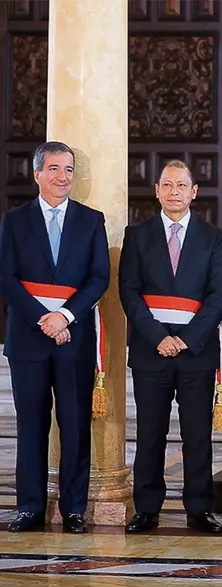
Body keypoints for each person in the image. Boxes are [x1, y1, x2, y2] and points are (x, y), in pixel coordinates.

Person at [0, 141, 110, 534]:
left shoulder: (91, 220)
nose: (62, 177)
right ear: (37, 174)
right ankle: (29, 507)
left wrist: (63, 317)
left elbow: (99, 278)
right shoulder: (13, 220)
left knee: (75, 424)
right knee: (31, 425)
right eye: (54, 169)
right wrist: (42, 319)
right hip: (28, 339)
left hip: (74, 338)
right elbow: (6, 278)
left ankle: (74, 508)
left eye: (68, 169)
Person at [119, 160, 222, 534]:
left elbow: (218, 295)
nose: (174, 192)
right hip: (152, 352)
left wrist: (186, 338)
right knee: (150, 433)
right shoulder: (137, 235)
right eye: (167, 185)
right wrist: (158, 337)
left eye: (182, 185)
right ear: (156, 189)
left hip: (196, 353)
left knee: (197, 434)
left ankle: (199, 509)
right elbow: (129, 294)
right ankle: (146, 508)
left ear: (194, 192)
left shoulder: (213, 237)